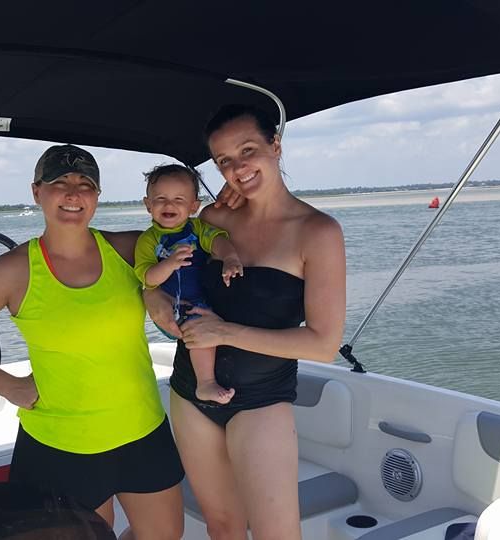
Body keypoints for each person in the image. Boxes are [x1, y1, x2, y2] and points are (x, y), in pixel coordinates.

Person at [0, 144, 184, 540]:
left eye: (85, 184)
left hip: (142, 431)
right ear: (37, 192)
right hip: (61, 445)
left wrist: (151, 290)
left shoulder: (129, 250)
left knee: (165, 535)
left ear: (97, 196)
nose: (73, 193)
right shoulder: (13, 271)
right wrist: (10, 387)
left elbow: (196, 231)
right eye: (60, 182)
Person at [145, 104, 346, 539]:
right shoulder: (214, 219)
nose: (238, 168)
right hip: (189, 390)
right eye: (224, 161)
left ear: (275, 145)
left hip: (262, 401)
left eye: (248, 150)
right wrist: (150, 294)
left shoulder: (317, 232)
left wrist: (225, 332)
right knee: (222, 527)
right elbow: (159, 258)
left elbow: (322, 344)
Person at [135, 164, 243, 404]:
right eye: (160, 199)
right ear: (148, 204)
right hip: (173, 308)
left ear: (194, 206)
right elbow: (147, 278)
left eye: (178, 199)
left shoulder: (197, 229)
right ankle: (205, 384)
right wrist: (169, 263)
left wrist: (230, 258)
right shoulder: (148, 240)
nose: (169, 205)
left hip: (200, 300)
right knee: (199, 327)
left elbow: (217, 241)